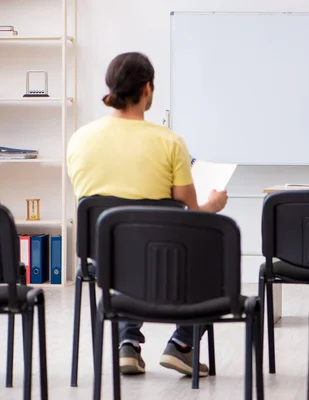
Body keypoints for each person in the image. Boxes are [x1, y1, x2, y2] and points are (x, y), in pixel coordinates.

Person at [67, 52, 228, 377]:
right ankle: (182, 345)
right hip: (162, 254)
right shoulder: (169, 142)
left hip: (103, 256)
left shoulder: (79, 139)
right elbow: (191, 214)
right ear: (148, 89)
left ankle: (127, 343)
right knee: (213, 251)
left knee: (126, 241)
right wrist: (214, 204)